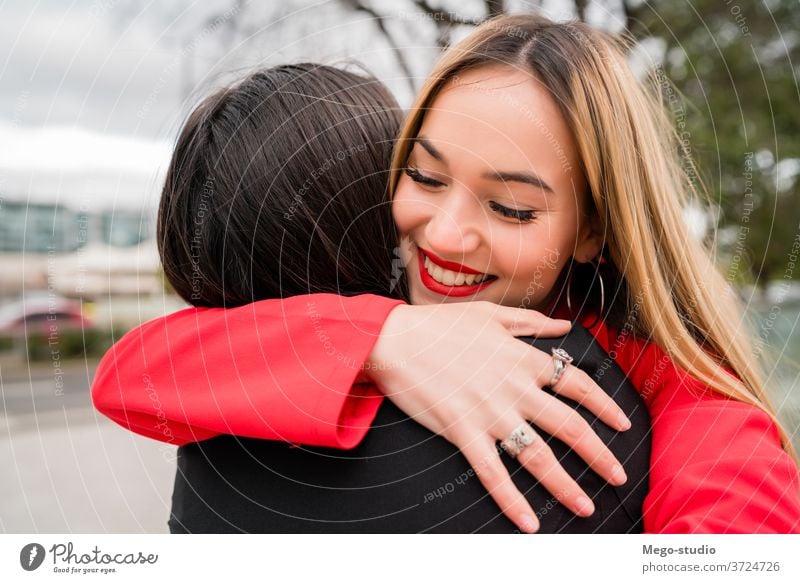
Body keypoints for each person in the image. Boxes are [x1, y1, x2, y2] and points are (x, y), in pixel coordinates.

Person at [93, 14, 800, 533]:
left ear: (593, 228)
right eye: (426, 176)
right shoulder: (376, 297)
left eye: (512, 207)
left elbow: (740, 528)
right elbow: (132, 373)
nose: (446, 234)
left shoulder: (680, 395)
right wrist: (386, 336)